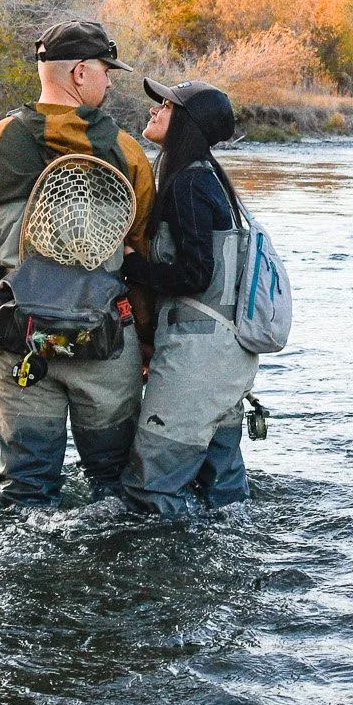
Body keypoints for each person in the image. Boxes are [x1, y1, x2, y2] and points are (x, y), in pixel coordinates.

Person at [0, 20, 155, 508]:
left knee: (25, 490)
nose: (109, 81)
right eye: (107, 71)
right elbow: (143, 257)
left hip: (18, 340)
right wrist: (146, 339)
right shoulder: (128, 153)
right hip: (106, 343)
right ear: (81, 73)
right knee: (112, 486)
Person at [121, 77, 262, 519]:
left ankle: (168, 579)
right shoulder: (210, 180)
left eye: (165, 104)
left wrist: (130, 264)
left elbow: (195, 275)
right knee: (222, 490)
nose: (154, 110)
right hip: (226, 355)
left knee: (151, 486)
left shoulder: (187, 185)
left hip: (199, 359)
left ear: (185, 121)